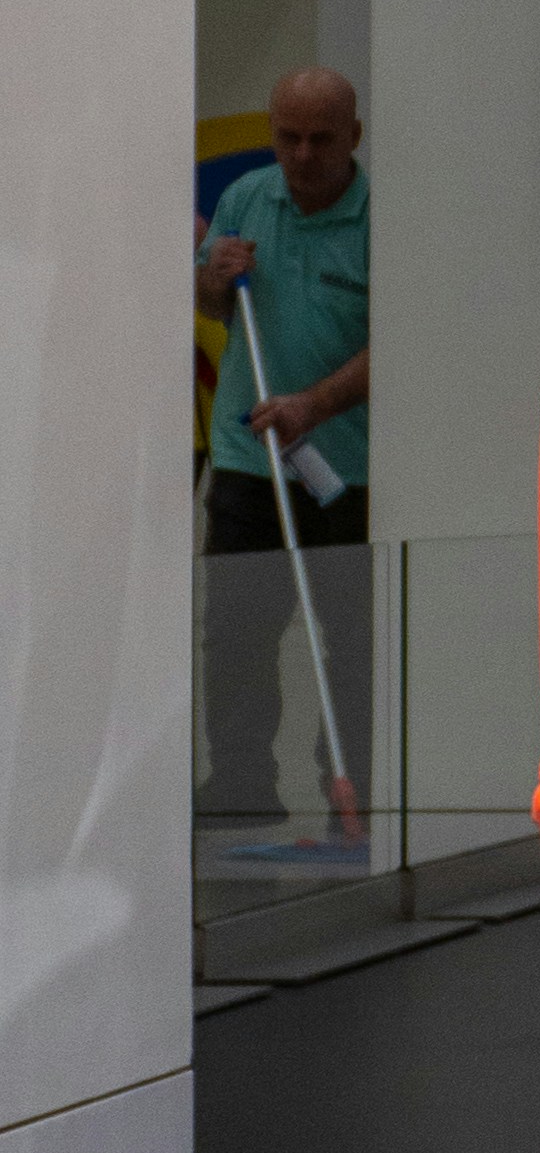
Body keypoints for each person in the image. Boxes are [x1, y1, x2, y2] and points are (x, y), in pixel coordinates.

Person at [198, 67, 369, 827]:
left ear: (353, 137)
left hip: (348, 471)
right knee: (234, 635)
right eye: (288, 137)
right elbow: (213, 301)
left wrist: (315, 404)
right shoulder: (245, 200)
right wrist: (211, 278)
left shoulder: (380, 219)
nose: (301, 155)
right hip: (248, 465)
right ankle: (240, 788)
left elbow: (399, 343)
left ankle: (353, 789)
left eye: (320, 139)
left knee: (353, 645)